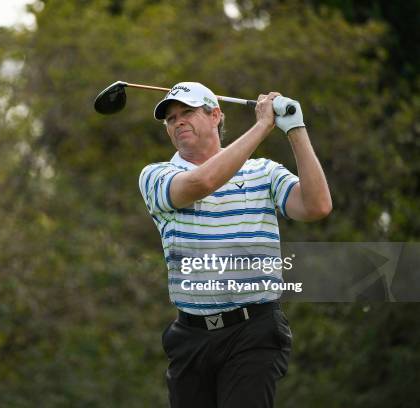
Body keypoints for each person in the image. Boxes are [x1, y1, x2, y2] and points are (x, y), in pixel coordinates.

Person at [138, 82, 332, 408]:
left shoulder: (263, 172)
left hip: (253, 331)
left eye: (187, 112)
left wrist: (295, 128)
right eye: (171, 119)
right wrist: (262, 126)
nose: (178, 122)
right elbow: (204, 182)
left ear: (215, 115)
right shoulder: (156, 176)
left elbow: (317, 206)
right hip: (191, 337)